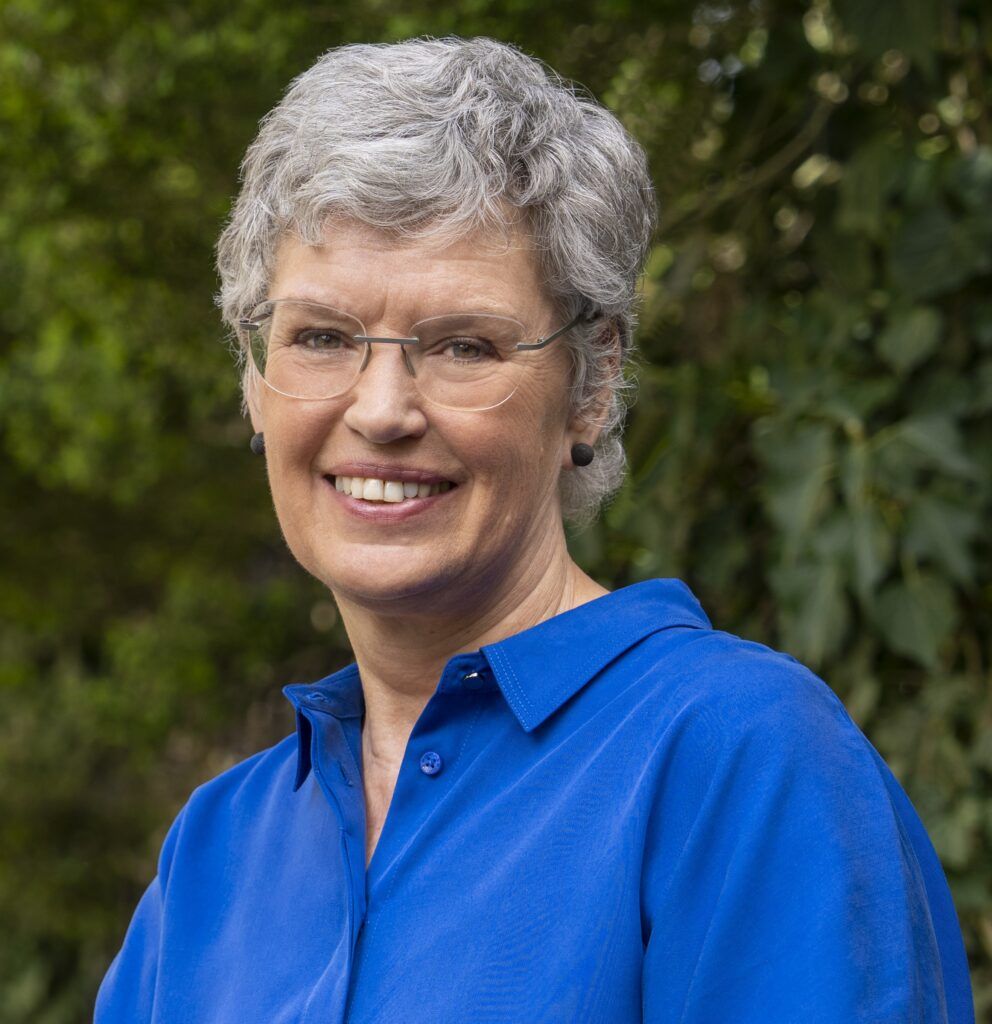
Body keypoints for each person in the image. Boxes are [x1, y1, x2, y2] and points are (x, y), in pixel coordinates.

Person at [94, 36, 974, 1024]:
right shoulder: (216, 849)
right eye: (323, 337)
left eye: (463, 346)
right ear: (256, 381)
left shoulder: (736, 756)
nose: (381, 409)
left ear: (590, 386)